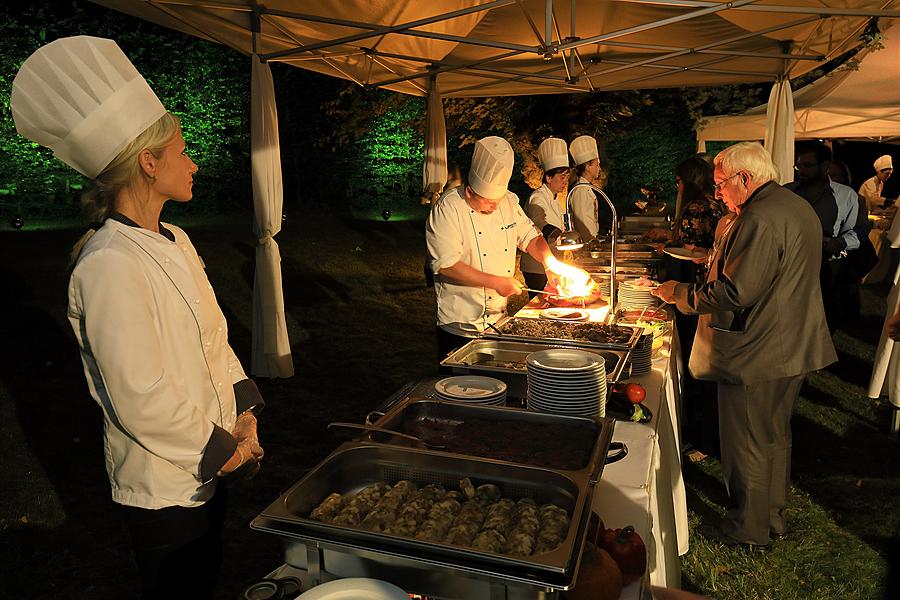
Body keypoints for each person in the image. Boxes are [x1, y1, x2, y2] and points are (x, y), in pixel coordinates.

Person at [11, 37, 265, 599]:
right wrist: (223, 450)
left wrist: (243, 416)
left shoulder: (175, 237)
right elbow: (140, 395)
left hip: (217, 456)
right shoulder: (108, 264)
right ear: (148, 163)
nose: (193, 162)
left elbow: (213, 337)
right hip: (166, 485)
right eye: (181, 151)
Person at [651, 142, 836, 551]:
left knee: (746, 442)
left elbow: (736, 291)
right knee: (773, 436)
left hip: (760, 348)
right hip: (794, 342)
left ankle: (747, 531)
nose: (718, 193)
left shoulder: (758, 216)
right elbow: (774, 268)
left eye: (721, 184)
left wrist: (678, 292)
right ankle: (772, 516)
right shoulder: (792, 204)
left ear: (745, 178)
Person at [426, 136, 556, 359]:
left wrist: (550, 264)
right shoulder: (447, 209)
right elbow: (446, 265)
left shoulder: (508, 202)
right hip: (460, 325)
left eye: (497, 200)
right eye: (487, 201)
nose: (493, 206)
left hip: (499, 321)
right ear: (469, 191)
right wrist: (495, 282)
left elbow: (531, 236)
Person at [665, 155, 724, 459]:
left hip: (698, 292)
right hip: (706, 292)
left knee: (696, 362)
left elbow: (696, 252)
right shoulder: (712, 204)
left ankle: (703, 437)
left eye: (678, 180)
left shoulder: (696, 207)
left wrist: (674, 249)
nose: (676, 185)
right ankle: (705, 432)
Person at [785, 141, 860, 331]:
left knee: (822, 322)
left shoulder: (846, 196)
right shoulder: (787, 192)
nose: (801, 170)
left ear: (825, 166)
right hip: (789, 265)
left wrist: (840, 242)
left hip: (825, 268)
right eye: (798, 165)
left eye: (807, 165)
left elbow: (858, 231)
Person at [521, 137, 569, 296]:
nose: (565, 181)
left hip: (550, 264)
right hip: (536, 268)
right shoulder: (538, 197)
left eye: (566, 177)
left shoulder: (555, 199)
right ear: (548, 178)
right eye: (562, 177)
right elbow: (539, 223)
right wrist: (558, 234)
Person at [568, 135, 602, 242]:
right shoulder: (580, 191)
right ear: (588, 167)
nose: (599, 169)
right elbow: (582, 223)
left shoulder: (586, 187)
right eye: (597, 165)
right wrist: (591, 243)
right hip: (586, 245)